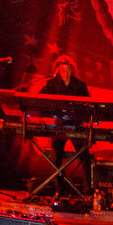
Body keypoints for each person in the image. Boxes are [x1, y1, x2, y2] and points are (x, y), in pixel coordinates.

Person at [38, 54, 91, 202]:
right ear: (57, 70)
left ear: (72, 71)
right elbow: (39, 100)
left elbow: (88, 106)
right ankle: (60, 191)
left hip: (75, 126)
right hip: (59, 126)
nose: (65, 73)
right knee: (56, 158)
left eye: (67, 70)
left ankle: (88, 192)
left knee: (85, 157)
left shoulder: (80, 86)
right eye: (62, 70)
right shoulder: (51, 84)